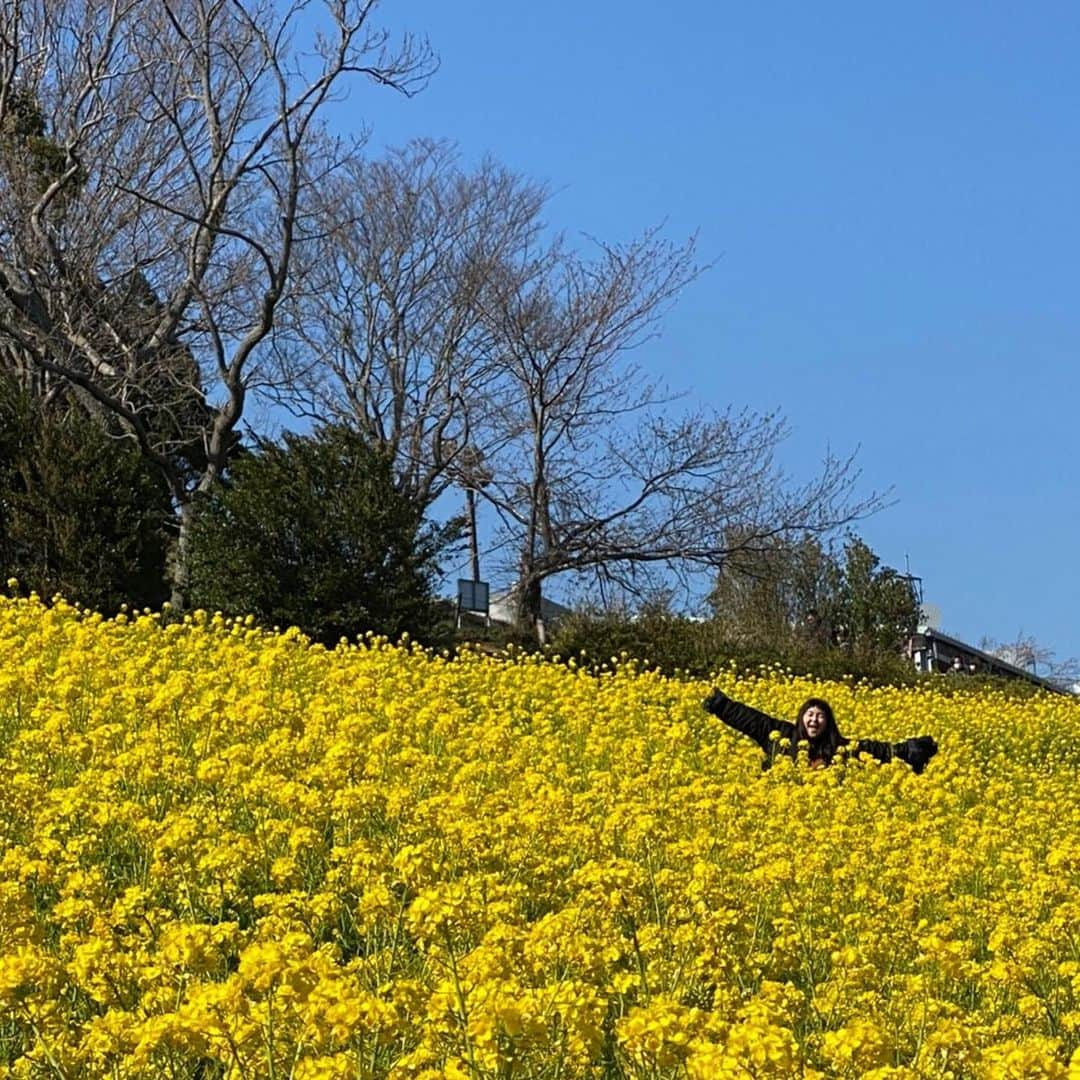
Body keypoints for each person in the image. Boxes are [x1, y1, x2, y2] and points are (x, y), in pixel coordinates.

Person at [702, 689, 938, 773]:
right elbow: (750, 720)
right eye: (810, 715)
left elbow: (871, 750)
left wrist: (906, 750)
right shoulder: (781, 735)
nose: (814, 721)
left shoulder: (837, 747)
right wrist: (721, 705)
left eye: (820, 716)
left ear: (827, 722)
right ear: (802, 718)